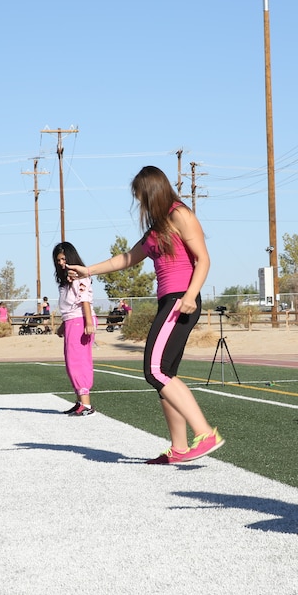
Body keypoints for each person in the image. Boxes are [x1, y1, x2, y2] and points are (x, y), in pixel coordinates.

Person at [68, 165, 224, 463]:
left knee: (155, 371)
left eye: (141, 197)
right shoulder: (157, 229)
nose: (140, 203)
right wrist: (87, 270)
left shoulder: (181, 214)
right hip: (169, 301)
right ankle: (179, 448)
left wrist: (190, 296)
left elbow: (203, 259)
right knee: (166, 375)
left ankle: (205, 433)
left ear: (153, 192)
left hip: (182, 300)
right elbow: (126, 259)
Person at [54, 242, 97, 416]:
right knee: (71, 362)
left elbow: (84, 299)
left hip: (81, 320)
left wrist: (88, 322)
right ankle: (80, 401)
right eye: (58, 260)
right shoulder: (66, 280)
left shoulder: (80, 275)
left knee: (79, 361)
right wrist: (63, 325)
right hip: (72, 321)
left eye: (64, 259)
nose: (61, 263)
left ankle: (86, 405)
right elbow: (69, 306)